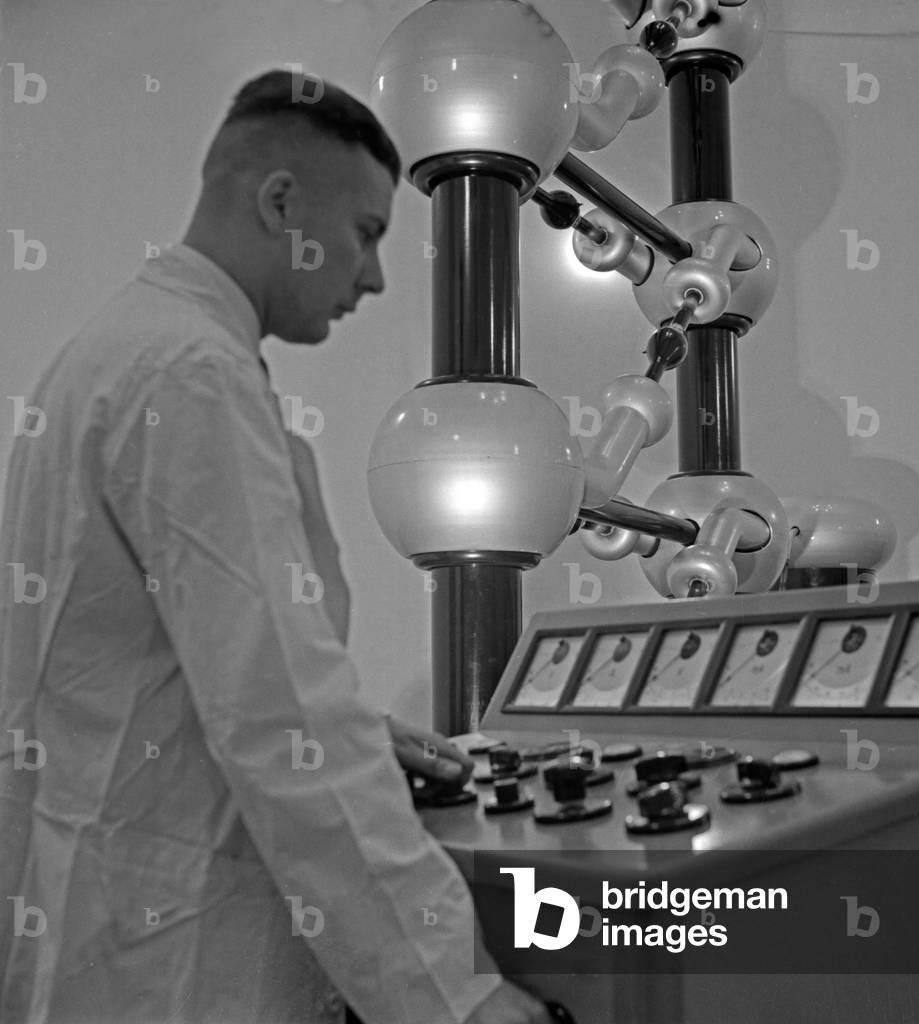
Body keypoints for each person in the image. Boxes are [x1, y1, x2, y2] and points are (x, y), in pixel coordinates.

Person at [0, 69, 550, 1024]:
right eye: (367, 233)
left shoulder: (110, 354)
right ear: (281, 201)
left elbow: (131, 665)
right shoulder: (195, 376)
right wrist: (461, 1003)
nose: (373, 277)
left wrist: (361, 735)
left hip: (97, 905)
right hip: (175, 947)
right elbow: (284, 730)